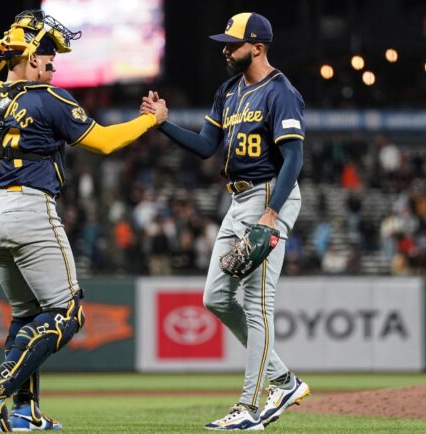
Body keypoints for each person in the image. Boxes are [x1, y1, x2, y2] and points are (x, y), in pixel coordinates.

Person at [0, 10, 164, 432]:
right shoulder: (49, 99)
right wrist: (151, 119)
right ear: (31, 58)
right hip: (30, 210)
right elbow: (105, 143)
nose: (53, 64)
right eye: (49, 56)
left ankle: (24, 412)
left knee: (26, 314)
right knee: (68, 313)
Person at [142, 12, 309, 430]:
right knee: (216, 297)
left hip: (270, 193)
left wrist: (272, 214)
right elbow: (204, 147)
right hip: (237, 200)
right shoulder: (228, 92)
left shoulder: (281, 92)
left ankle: (250, 408)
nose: (225, 49)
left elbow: (294, 157)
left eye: (232, 44)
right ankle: (283, 380)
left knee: (258, 305)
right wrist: (164, 125)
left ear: (257, 47)